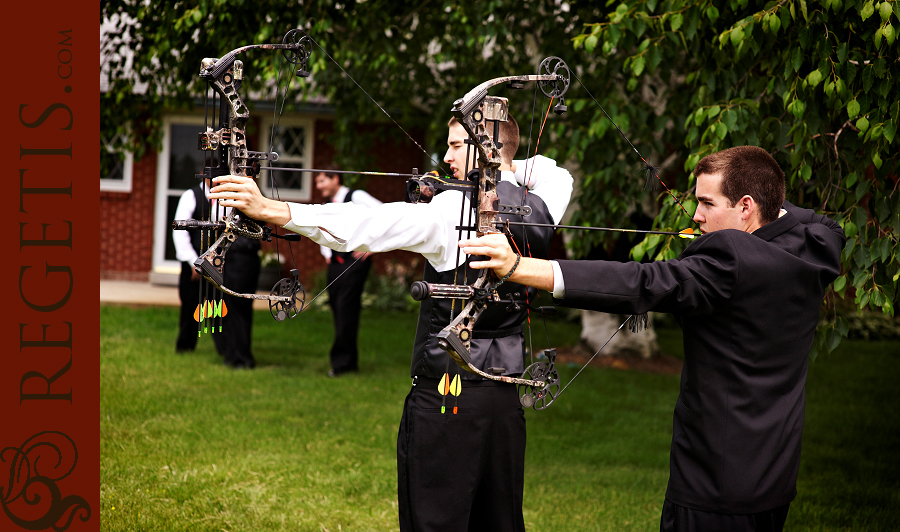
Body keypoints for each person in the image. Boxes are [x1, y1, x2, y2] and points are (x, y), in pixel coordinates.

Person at [209, 115, 573, 532]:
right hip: (507, 399)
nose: (447, 156)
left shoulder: (448, 212)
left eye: (456, 145)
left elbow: (364, 226)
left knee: (434, 519)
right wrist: (504, 167)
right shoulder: (546, 203)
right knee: (499, 519)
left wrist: (272, 208)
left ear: (483, 151)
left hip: (446, 397)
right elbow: (551, 169)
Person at [458, 146, 846, 532]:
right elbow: (816, 221)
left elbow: (641, 284)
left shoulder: (731, 260)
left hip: (714, 488)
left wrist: (519, 266)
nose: (696, 215)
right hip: (773, 479)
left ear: (745, 207)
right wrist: (768, 198)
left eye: (706, 203)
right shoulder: (816, 247)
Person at [172, 178, 261, 369]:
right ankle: (185, 347)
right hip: (193, 264)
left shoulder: (228, 199)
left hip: (222, 265)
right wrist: (194, 262)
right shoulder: (191, 196)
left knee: (218, 307)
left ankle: (225, 347)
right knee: (190, 306)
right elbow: (181, 234)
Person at [314, 166, 383, 377]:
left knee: (346, 309)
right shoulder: (328, 205)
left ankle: (341, 364)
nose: (318, 186)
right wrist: (327, 255)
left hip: (354, 263)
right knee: (337, 307)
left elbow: (385, 214)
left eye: (322, 181)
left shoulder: (357, 196)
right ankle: (348, 361)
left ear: (335, 179)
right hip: (335, 264)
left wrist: (370, 248)